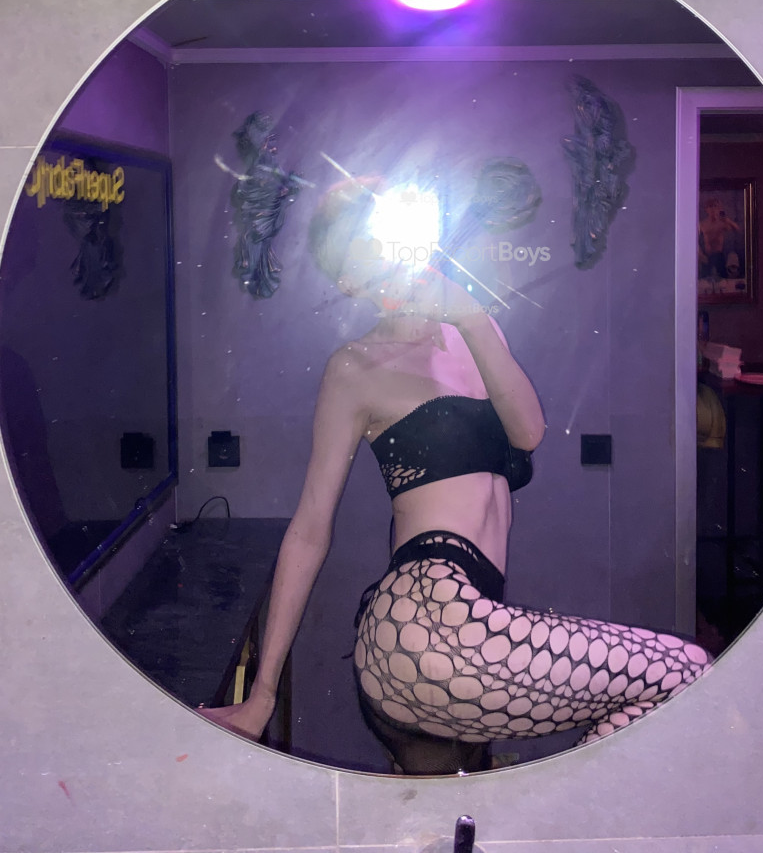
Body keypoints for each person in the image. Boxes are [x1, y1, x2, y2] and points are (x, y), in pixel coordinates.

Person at [201, 183, 711, 773]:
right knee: (686, 671)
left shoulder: (476, 331)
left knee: (439, 813)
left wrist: (469, 316)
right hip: (422, 616)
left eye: (389, 240)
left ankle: (545, 813)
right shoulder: (355, 367)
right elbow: (311, 528)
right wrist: (262, 693)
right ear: (348, 282)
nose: (386, 260)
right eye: (362, 252)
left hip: (468, 626)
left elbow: (528, 432)